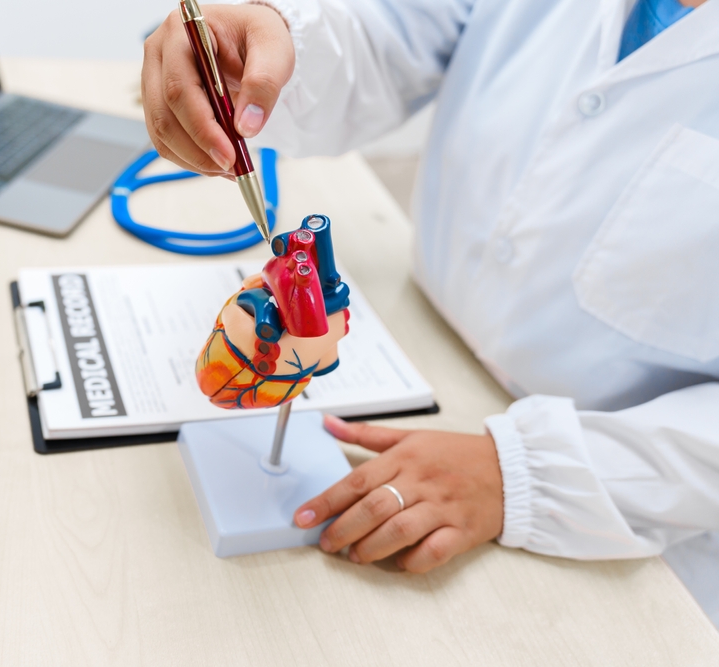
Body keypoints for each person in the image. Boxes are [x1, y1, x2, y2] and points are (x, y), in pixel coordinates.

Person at [141, 0, 719, 626]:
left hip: (630, 515)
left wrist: (519, 472)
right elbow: (393, 33)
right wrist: (265, 50)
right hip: (424, 343)